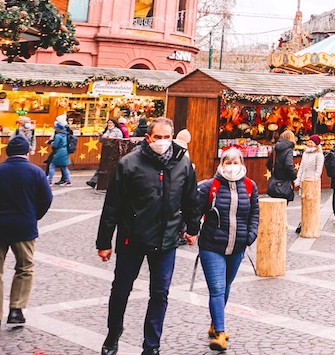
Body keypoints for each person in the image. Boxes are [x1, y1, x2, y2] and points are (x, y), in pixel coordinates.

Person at [96, 117, 200, 355]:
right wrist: (104, 242)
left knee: (160, 293)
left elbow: (191, 200)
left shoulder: (182, 163)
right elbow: (112, 206)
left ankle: (152, 346)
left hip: (166, 240)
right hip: (132, 239)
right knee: (121, 289)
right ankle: (113, 335)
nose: (162, 142)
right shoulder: (129, 164)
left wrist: (192, 229)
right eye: (158, 137)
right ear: (148, 138)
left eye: (167, 137)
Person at [0, 134, 53, 333]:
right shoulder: (36, 172)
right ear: (27, 152)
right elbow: (46, 199)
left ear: (7, 153)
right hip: (24, 227)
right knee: (25, 268)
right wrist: (33, 217)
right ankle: (16, 308)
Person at [197, 148, 259, 352]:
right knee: (216, 288)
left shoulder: (250, 186)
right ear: (221, 164)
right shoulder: (209, 186)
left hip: (237, 246)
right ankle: (220, 333)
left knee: (226, 287)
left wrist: (250, 236)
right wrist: (187, 231)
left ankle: (215, 322)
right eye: (227, 162)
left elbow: (254, 215)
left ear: (242, 163)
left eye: (236, 162)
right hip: (211, 246)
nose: (232, 166)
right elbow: (194, 211)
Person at [295, 135, 325, 233]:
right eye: (309, 142)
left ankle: (311, 222)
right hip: (304, 180)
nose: (309, 144)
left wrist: (315, 180)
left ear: (316, 144)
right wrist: (298, 180)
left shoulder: (319, 155)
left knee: (312, 203)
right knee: (304, 202)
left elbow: (318, 170)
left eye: (312, 142)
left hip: (312, 182)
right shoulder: (305, 153)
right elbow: (302, 168)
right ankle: (303, 221)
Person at [266, 129, 296, 202]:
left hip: (275, 180)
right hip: (285, 180)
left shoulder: (275, 148)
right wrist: (294, 177)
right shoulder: (289, 150)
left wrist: (274, 171)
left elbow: (268, 163)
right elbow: (288, 165)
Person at [47, 114, 72, 186]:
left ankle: (49, 181)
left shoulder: (58, 136)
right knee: (64, 167)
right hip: (65, 151)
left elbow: (55, 145)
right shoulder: (65, 134)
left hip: (59, 152)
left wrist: (51, 143)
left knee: (52, 165)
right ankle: (68, 181)